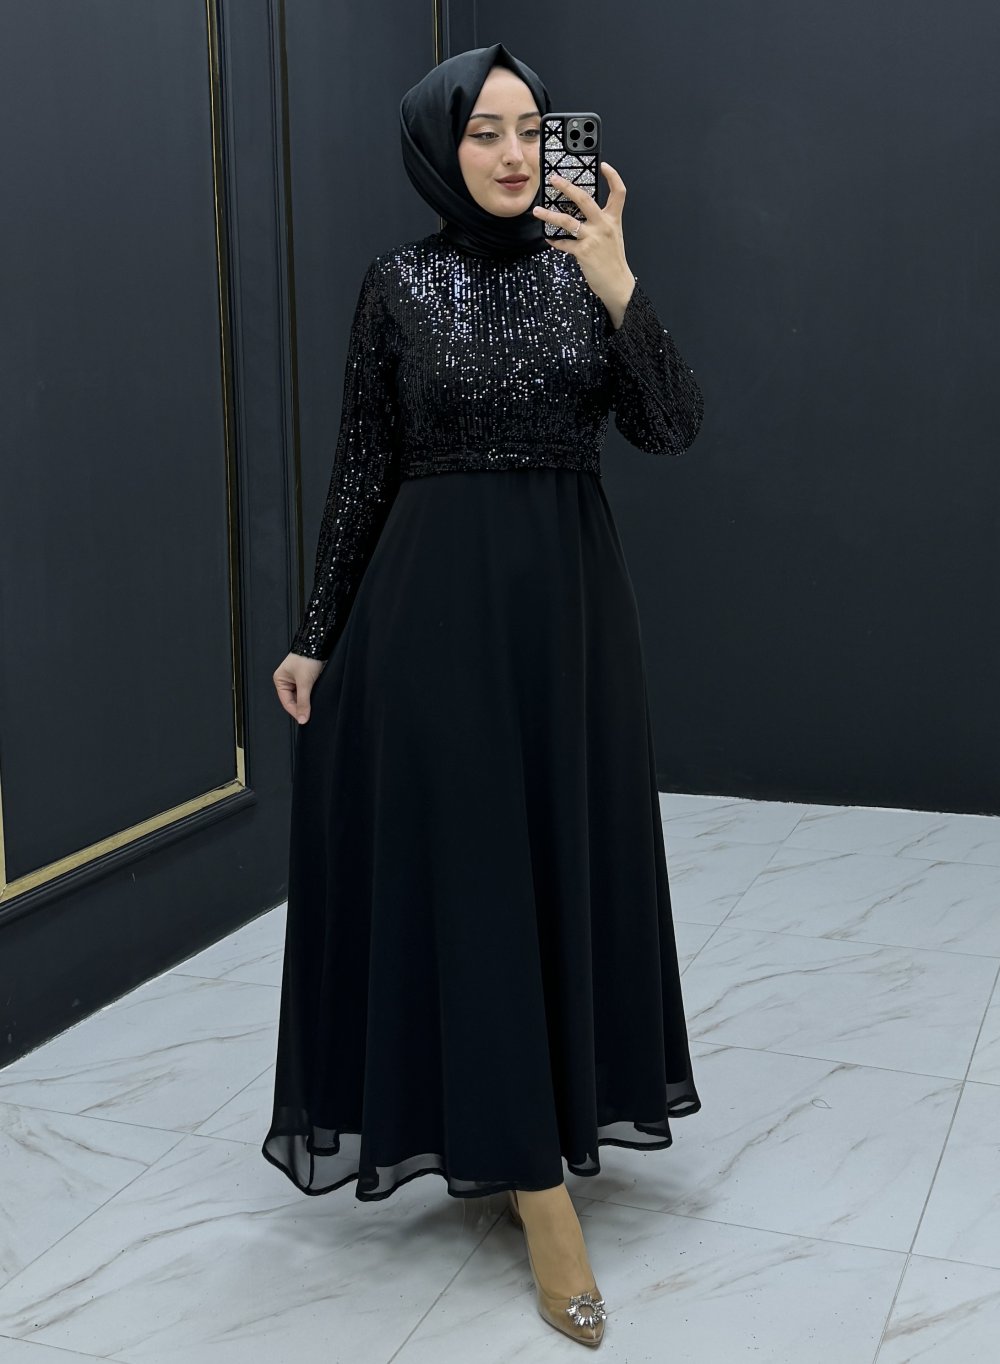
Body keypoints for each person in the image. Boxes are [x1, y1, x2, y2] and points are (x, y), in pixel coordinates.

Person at [263, 42, 705, 1349]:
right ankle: (537, 1192)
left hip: (570, 628)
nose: (514, 154)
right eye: (484, 131)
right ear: (438, 145)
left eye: (530, 129)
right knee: (473, 880)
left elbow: (673, 425)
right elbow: (362, 468)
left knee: (561, 864)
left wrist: (621, 285)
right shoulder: (397, 285)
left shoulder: (586, 273)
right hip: (433, 631)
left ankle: (534, 1127)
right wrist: (315, 634)